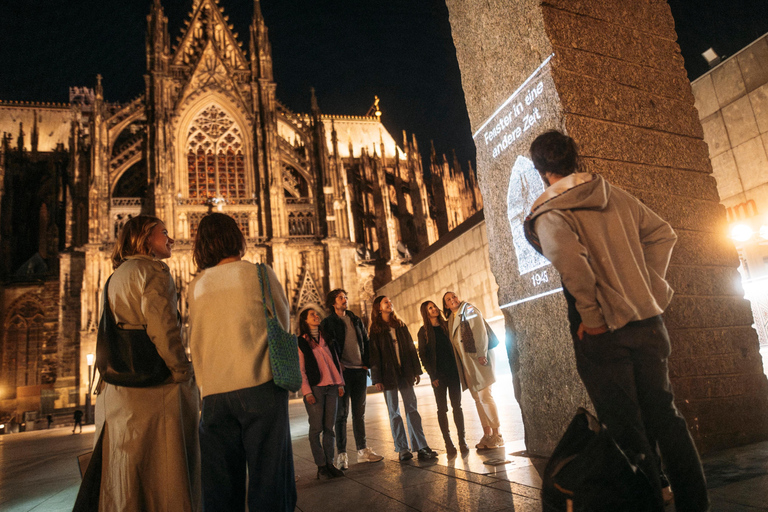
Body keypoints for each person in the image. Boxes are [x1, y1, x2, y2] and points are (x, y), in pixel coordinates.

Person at [524, 129, 709, 512]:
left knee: (627, 429)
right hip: (649, 323)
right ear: (575, 158)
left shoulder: (549, 213)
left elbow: (572, 265)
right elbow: (662, 234)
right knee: (666, 416)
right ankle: (695, 503)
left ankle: (649, 504)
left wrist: (593, 318)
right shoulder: (612, 193)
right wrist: (647, 288)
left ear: (541, 170)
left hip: (606, 333)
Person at [77, 215, 200, 511]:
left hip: (120, 387)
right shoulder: (153, 271)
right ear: (146, 240)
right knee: (163, 469)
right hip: (152, 388)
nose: (171, 239)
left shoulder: (116, 275)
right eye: (164, 233)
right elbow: (163, 328)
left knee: (127, 469)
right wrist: (182, 371)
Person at [188, 212, 296, 512]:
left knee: (220, 491)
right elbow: (283, 324)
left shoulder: (195, 287)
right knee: (271, 483)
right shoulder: (260, 274)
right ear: (238, 238)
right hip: (259, 385)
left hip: (213, 397)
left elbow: (195, 338)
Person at [320, 289, 383, 469]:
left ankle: (362, 451)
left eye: (346, 297)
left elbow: (366, 341)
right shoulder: (328, 323)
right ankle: (342, 454)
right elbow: (326, 348)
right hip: (343, 373)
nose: (345, 300)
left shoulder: (355, 319)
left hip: (359, 372)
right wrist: (336, 365)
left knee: (359, 414)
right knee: (341, 415)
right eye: (341, 297)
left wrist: (367, 363)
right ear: (333, 302)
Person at [369, 295, 437, 461]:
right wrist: (377, 378)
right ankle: (402, 448)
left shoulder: (400, 325)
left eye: (390, 301)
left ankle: (421, 446)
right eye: (386, 302)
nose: (390, 303)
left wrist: (416, 371)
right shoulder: (376, 330)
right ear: (379, 307)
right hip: (388, 376)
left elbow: (410, 349)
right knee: (394, 413)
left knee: (412, 409)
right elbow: (374, 355)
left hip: (404, 373)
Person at [442, 291, 503, 449]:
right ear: (446, 306)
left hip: (479, 359)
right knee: (477, 399)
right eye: (449, 299)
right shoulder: (451, 319)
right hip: (467, 364)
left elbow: (480, 332)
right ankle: (487, 434)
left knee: (485, 397)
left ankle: (497, 435)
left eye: (454, 296)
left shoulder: (468, 310)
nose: (453, 300)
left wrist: (482, 354)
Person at [297, 307, 346, 480]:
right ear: (304, 321)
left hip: (332, 386)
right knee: (316, 428)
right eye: (312, 315)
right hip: (316, 388)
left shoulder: (327, 338)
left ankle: (330, 464)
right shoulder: (302, 342)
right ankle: (321, 466)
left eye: (317, 314)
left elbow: (336, 362)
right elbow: (301, 369)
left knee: (329, 428)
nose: (317, 316)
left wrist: (340, 383)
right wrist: (307, 391)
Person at [417, 300, 467, 457]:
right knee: (442, 409)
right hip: (438, 376)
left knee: (457, 406)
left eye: (434, 306)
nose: (434, 309)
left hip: (453, 372)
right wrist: (432, 375)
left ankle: (462, 440)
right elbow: (423, 355)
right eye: (430, 308)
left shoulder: (447, 325)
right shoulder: (423, 331)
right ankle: (448, 442)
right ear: (426, 313)